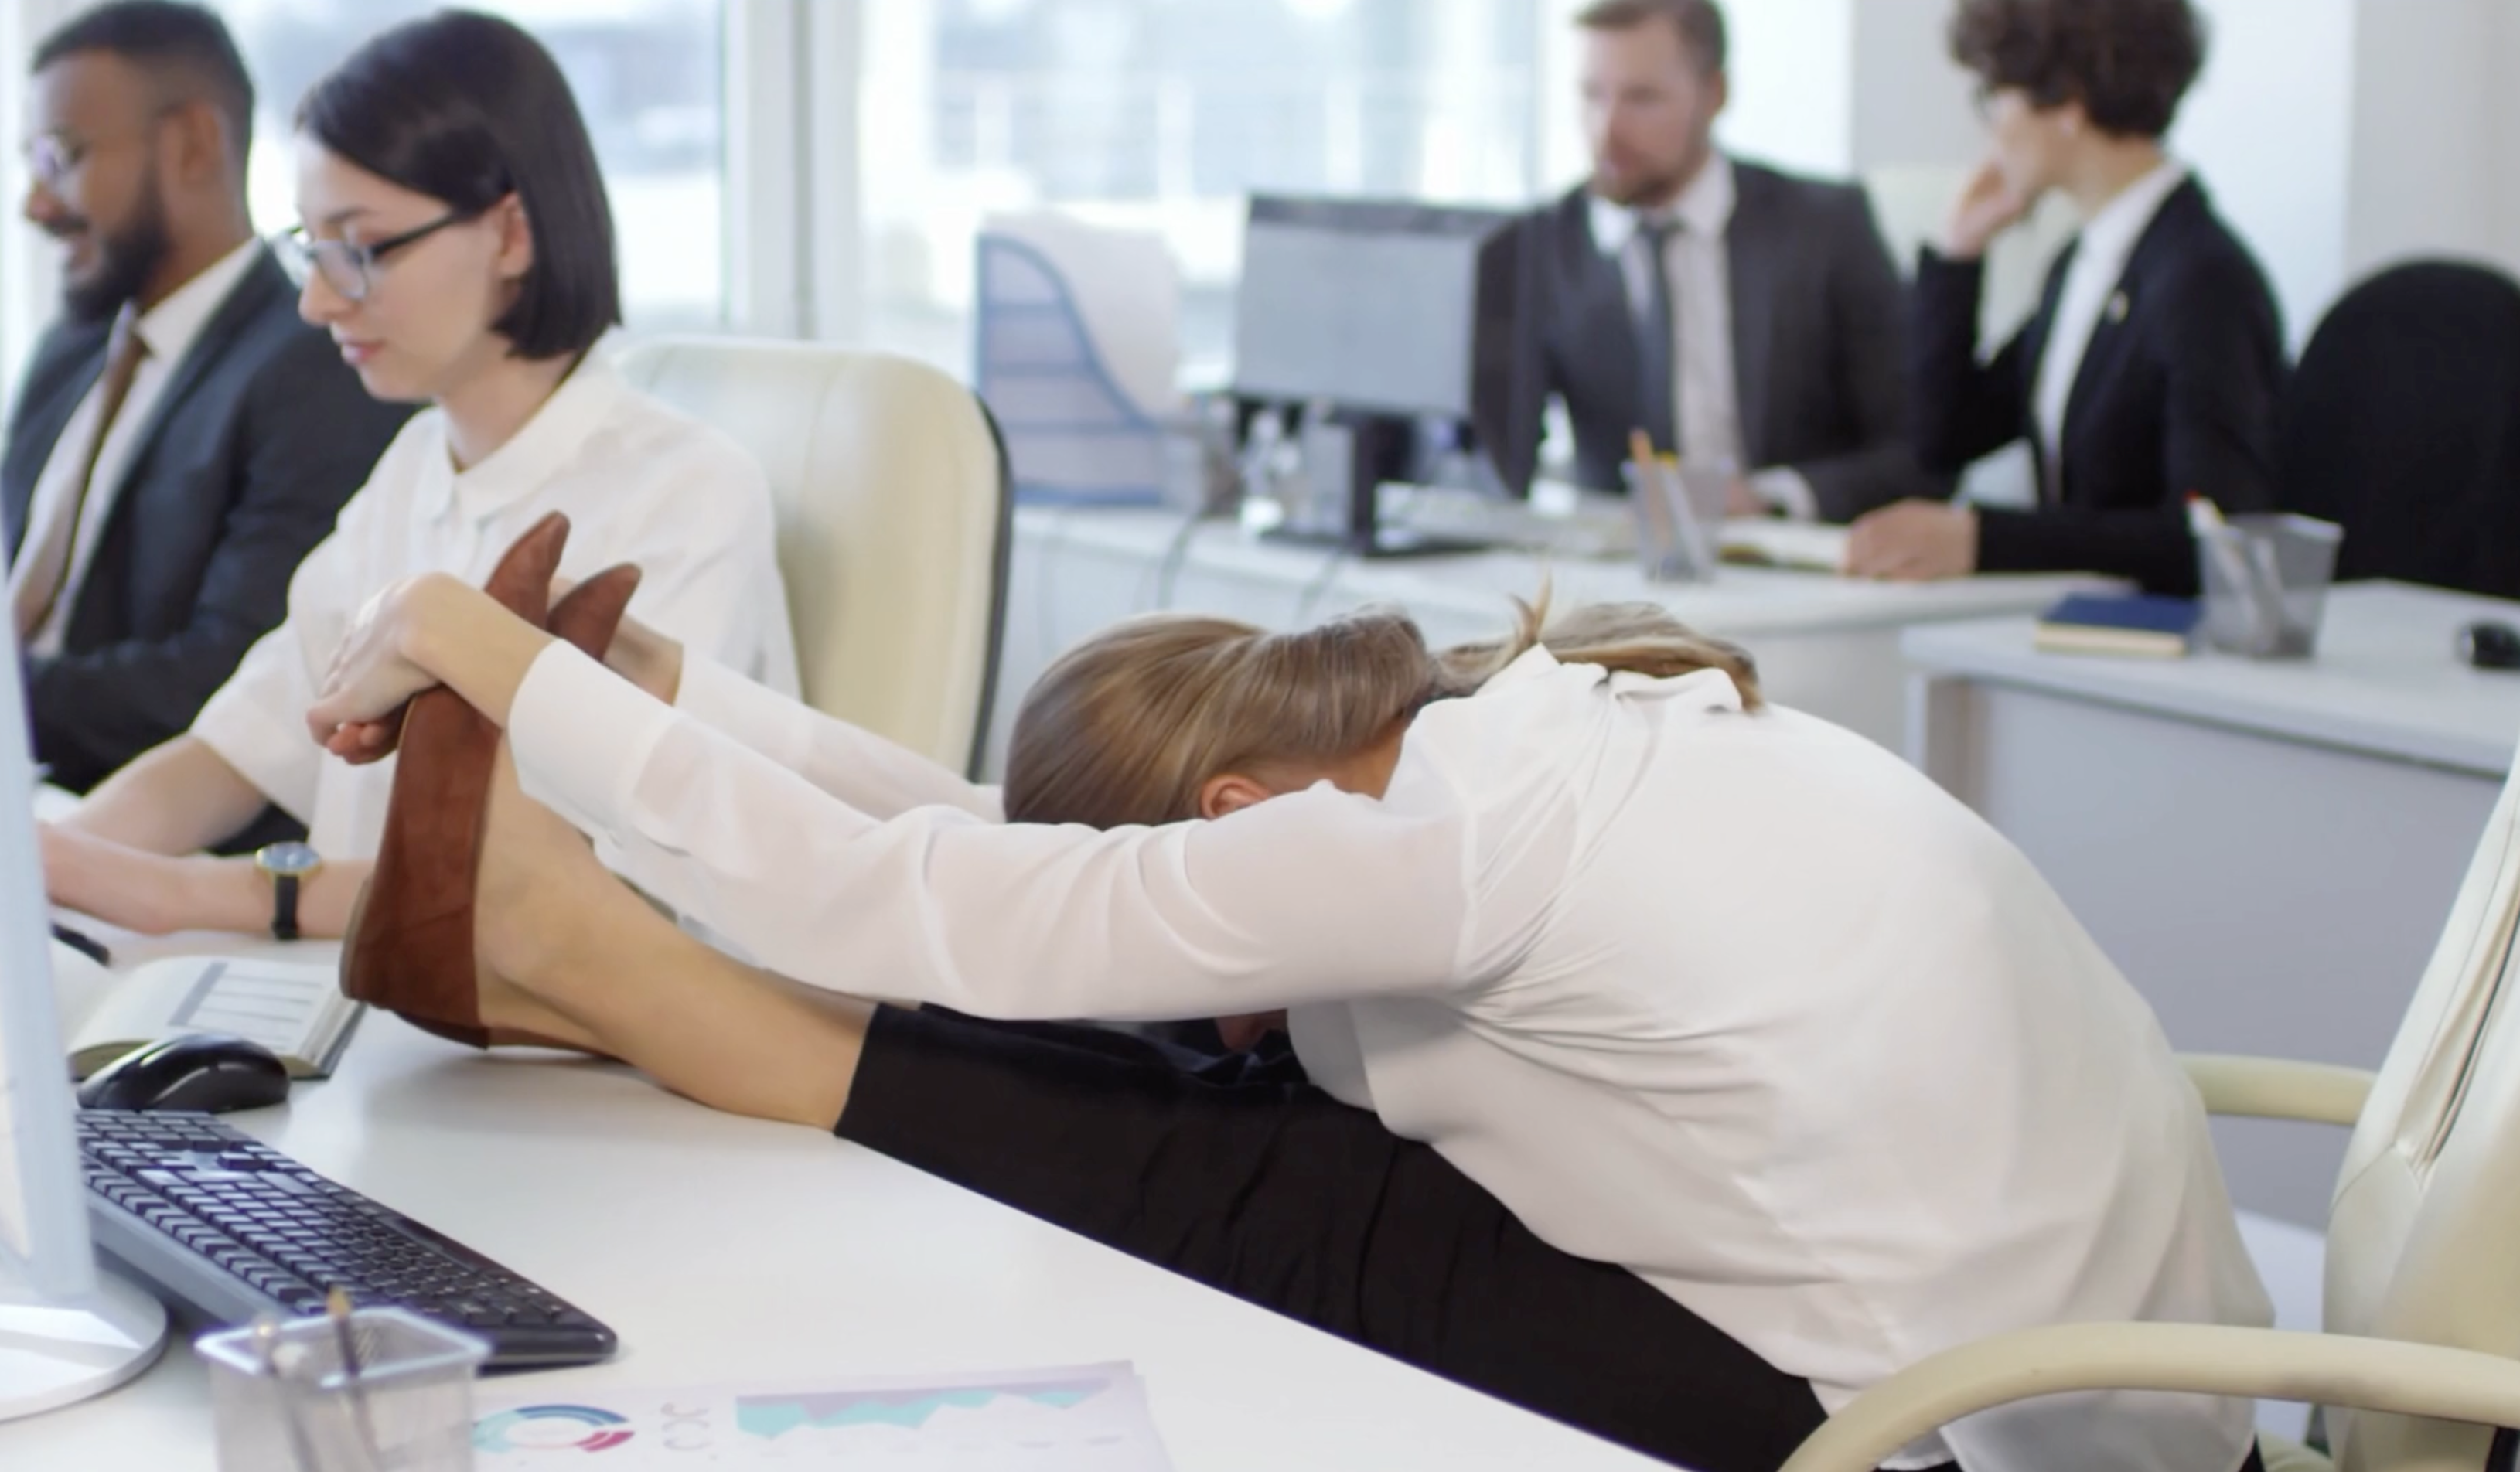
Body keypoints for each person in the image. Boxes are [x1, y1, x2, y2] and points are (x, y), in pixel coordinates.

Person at [302, 562, 2274, 1472]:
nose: (1201, 974)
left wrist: (470, 646)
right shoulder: (1521, 730)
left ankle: (625, 980)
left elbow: (904, 896)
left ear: (1237, 816)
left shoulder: (1421, 851)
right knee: (1205, 1053)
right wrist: (673, 696)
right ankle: (610, 971)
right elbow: (1003, 854)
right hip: (2133, 1361)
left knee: (1255, 1159)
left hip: (1937, 1430)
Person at [39, 10, 796, 942]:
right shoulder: (411, 468)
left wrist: (182, 892)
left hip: (574, 1064)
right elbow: (239, 748)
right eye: (310, 249)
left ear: (511, 232)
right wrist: (53, 859)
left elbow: (563, 898)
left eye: (358, 249)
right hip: (385, 1019)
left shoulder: (682, 498)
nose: (318, 301)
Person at [5, 2, 411, 800]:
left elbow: (229, 676)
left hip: (134, 814)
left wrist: (6, 701)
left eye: (62, 156)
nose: (36, 205)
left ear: (193, 144)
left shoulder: (315, 368)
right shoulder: (70, 350)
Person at [1847, 0, 2286, 594]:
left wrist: (1984, 540)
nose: (1992, 126)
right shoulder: (2084, 262)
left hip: (2164, 652)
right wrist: (1958, 257)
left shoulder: (2201, 279)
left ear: (2067, 101)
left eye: (1995, 95)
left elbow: (2211, 534)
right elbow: (1944, 438)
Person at [1518, 0, 1925, 523]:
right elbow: (1491, 453)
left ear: (1714, 94)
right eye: (1592, 95)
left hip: (1793, 560)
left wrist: (1771, 497)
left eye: (1642, 98)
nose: (1606, 130)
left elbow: (1918, 449)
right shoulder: (1542, 244)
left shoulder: (1825, 227)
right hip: (1620, 573)